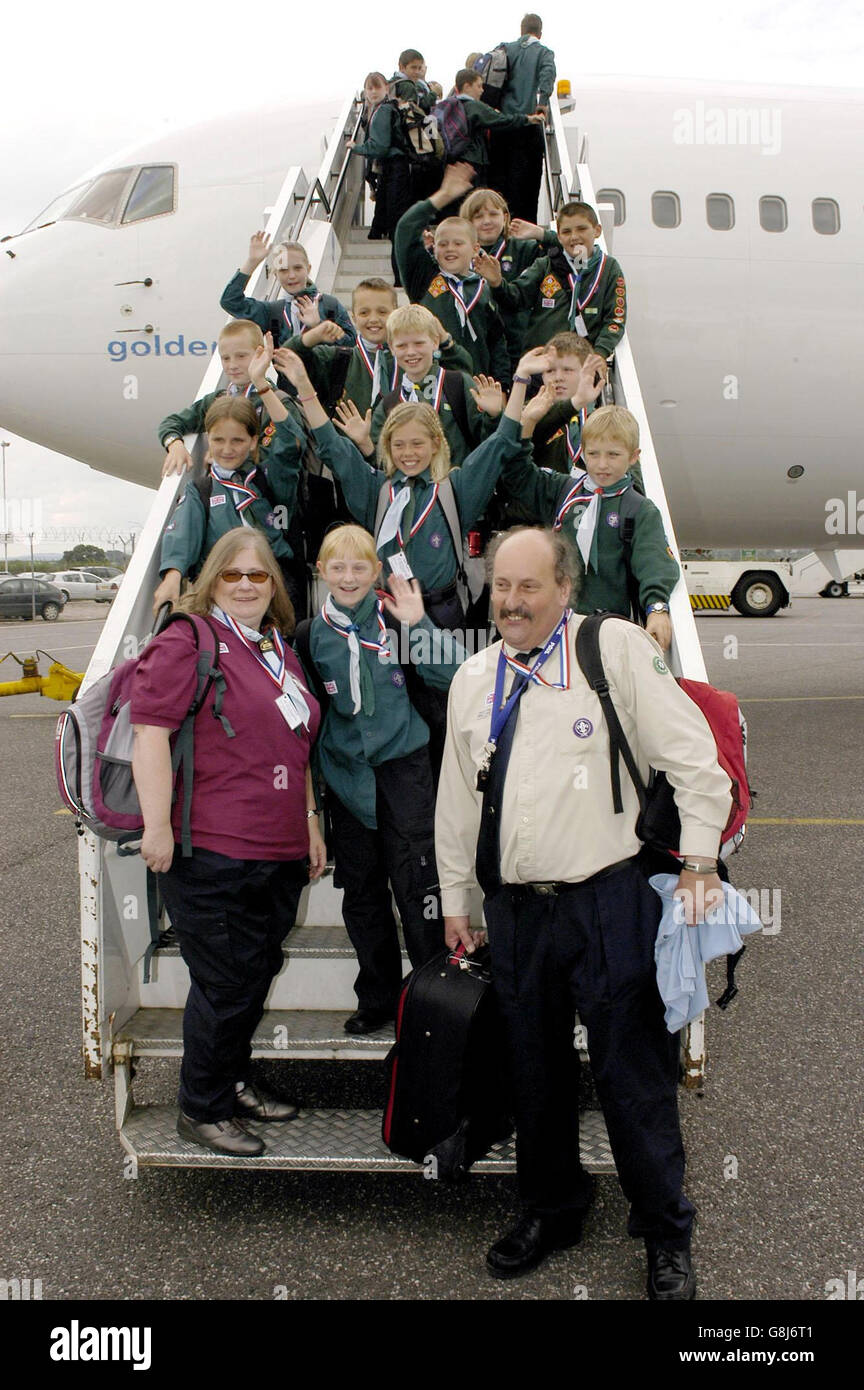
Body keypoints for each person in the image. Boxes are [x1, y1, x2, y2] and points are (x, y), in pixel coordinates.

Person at [436, 526, 731, 1296]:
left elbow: (697, 766)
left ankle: (666, 1230)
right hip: (516, 912)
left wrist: (698, 863)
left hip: (608, 900)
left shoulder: (615, 651)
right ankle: (552, 1208)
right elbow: (455, 802)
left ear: (565, 588)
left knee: (632, 1076)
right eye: (501, 586)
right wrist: (458, 899)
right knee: (532, 1071)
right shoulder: (473, 678)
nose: (511, 601)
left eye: (528, 586)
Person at [131, 529, 324, 1157]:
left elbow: (294, 746)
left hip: (277, 848)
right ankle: (201, 1106)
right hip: (210, 848)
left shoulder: (277, 649)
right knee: (225, 981)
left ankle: (232, 1078)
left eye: (259, 575)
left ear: (275, 587)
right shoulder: (187, 640)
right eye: (232, 575)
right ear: (211, 580)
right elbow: (151, 735)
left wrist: (310, 819)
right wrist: (156, 827)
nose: (245, 585)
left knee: (255, 970)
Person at [297, 525, 464, 1034]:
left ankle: (434, 998)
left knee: (418, 888)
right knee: (363, 896)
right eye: (338, 567)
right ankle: (379, 997)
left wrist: (420, 626)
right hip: (348, 782)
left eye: (360, 567)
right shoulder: (310, 635)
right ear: (321, 572)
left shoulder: (397, 619)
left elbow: (457, 674)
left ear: (376, 573)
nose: (349, 577)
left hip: (405, 775)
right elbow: (304, 715)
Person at [276, 345, 537, 635]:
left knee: (443, 678)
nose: (408, 453)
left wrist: (522, 379)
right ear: (387, 446)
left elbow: (501, 442)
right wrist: (304, 386)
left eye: (417, 444)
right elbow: (332, 446)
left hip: (443, 618)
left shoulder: (455, 490)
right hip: (387, 616)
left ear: (436, 444)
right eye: (398, 444)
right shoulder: (376, 489)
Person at [501, 393, 679, 646]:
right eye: (593, 454)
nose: (602, 464)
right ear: (583, 452)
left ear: (633, 456)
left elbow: (654, 564)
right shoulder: (561, 491)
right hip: (552, 626)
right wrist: (527, 424)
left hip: (608, 630)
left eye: (613, 455)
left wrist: (657, 609)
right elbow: (516, 475)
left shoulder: (639, 509)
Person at [153, 394, 304, 618]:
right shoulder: (202, 490)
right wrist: (173, 577)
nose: (226, 449)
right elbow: (183, 534)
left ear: (254, 441)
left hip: (271, 593)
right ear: (208, 440)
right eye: (218, 440)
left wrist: (263, 388)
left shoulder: (270, 478)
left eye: (237, 441)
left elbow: (290, 444)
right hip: (221, 595)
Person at [395, 163, 511, 384]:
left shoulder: (483, 287)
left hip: (477, 387)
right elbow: (405, 229)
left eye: (458, 243)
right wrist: (443, 196)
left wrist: (502, 386)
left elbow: (497, 343)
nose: (450, 249)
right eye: (443, 244)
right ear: (434, 249)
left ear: (475, 248)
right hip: (432, 385)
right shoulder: (424, 279)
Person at [478, 201, 626, 369]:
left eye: (582, 229)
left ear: (597, 230)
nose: (574, 236)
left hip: (580, 367)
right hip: (541, 364)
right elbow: (516, 298)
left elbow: (615, 318)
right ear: (559, 237)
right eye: (566, 231)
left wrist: (600, 353)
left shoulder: (609, 269)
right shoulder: (545, 265)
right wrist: (497, 282)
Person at [363, 304, 503, 466]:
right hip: (412, 489)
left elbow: (487, 443)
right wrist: (365, 444)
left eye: (419, 343)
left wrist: (494, 416)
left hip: (457, 485)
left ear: (435, 342)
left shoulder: (458, 384)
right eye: (402, 346)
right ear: (392, 348)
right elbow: (382, 463)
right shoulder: (389, 403)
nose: (411, 352)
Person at [157, 321, 294, 478]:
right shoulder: (219, 399)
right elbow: (172, 422)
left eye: (241, 356)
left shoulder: (277, 403)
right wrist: (175, 445)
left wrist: (221, 457)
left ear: (260, 355)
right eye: (226, 358)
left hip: (261, 494)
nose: (232, 365)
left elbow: (278, 454)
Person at [460, 186, 552, 373]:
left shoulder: (525, 248)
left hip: (516, 344)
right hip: (477, 345)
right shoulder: (458, 254)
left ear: (505, 217)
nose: (486, 221)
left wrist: (542, 234)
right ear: (467, 223)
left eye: (493, 214)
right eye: (478, 217)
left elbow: (570, 255)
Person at [220, 231, 355, 353]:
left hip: (326, 380)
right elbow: (230, 301)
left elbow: (351, 345)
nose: (291, 275)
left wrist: (319, 326)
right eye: (283, 270)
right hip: (287, 380)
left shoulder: (329, 305)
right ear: (275, 274)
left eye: (297, 268)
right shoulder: (272, 312)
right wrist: (251, 263)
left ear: (308, 269)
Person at [486, 14, 556, 222]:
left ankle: (500, 223)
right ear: (540, 33)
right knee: (527, 181)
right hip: (528, 125)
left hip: (502, 124)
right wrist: (542, 104)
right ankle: (523, 225)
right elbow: (547, 77)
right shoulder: (544, 53)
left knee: (499, 179)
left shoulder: (505, 49)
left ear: (521, 30)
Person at [436, 69, 543, 182]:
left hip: (450, 160)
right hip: (473, 161)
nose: (482, 91)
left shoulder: (447, 105)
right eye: (479, 86)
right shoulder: (474, 106)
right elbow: (503, 120)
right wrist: (528, 119)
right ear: (467, 86)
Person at [357, 72, 391, 240]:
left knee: (387, 205)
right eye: (369, 88)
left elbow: (381, 146)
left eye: (377, 87)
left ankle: (377, 232)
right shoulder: (379, 110)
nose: (373, 92)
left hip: (391, 166)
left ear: (387, 88)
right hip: (390, 167)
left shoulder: (382, 110)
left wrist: (357, 148)